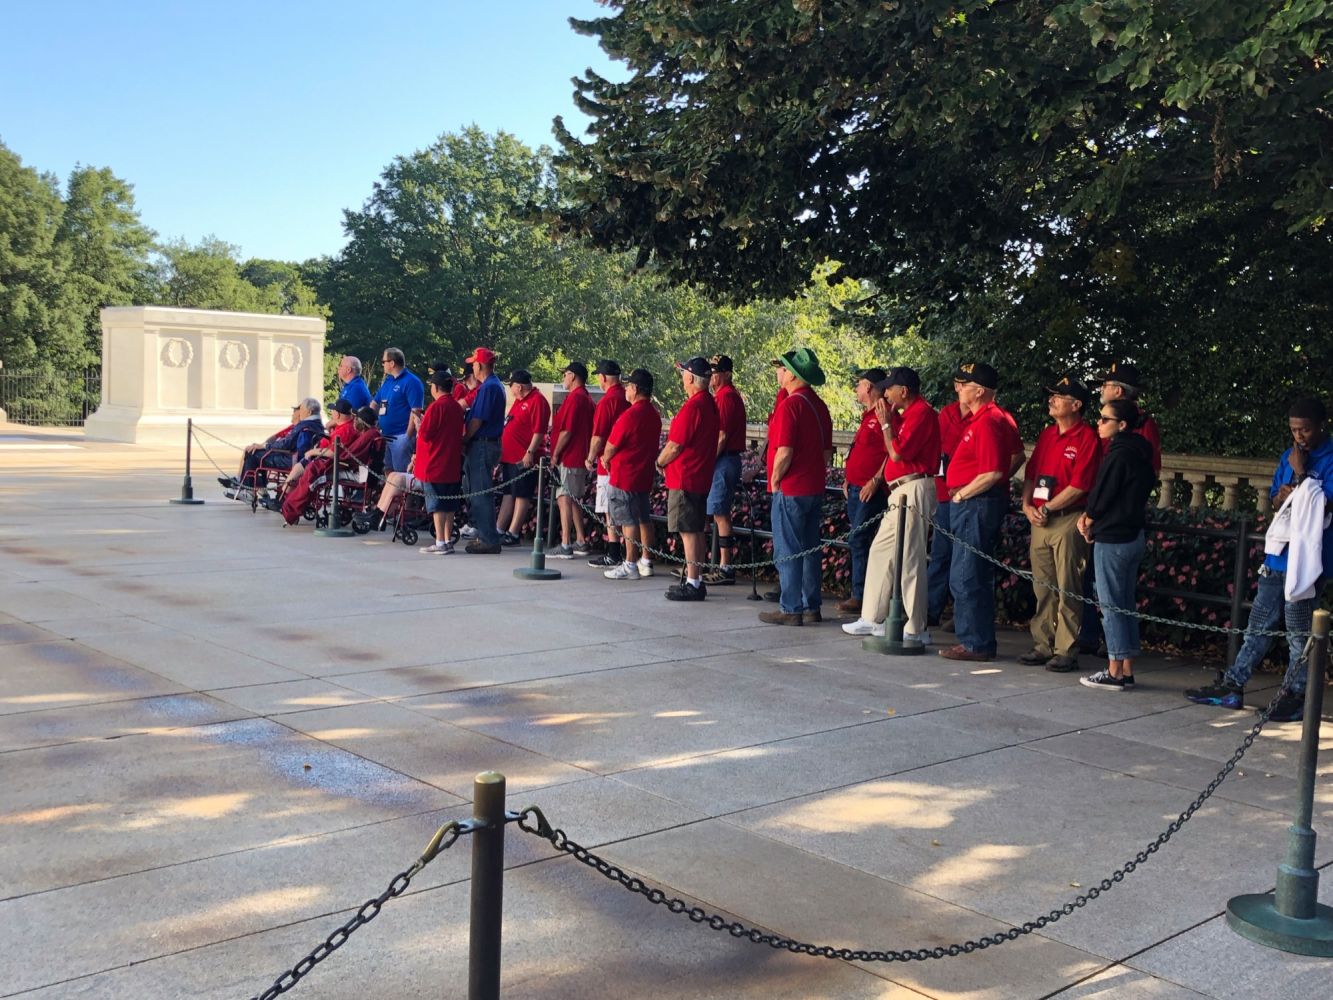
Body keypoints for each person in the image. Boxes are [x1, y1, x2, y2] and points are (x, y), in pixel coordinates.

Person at [1186, 397, 1333, 722]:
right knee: (1258, 625)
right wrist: (1284, 493)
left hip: (1307, 561)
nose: (1299, 436)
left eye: (1305, 429)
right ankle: (1233, 685)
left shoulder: (1327, 458)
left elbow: (1323, 505)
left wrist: (1301, 475)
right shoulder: (1289, 456)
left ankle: (1297, 695)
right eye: (1294, 430)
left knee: (1298, 633)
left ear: (1321, 426)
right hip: (1279, 555)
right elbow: (1277, 500)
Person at [842, 367, 940, 641]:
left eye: (890, 389)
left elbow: (896, 453)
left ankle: (916, 628)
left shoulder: (922, 413)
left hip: (914, 487)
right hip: (899, 490)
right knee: (880, 550)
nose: (885, 394)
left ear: (904, 391)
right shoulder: (908, 414)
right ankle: (873, 617)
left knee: (909, 558)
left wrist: (886, 424)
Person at [938, 362, 1023, 661]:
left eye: (965, 385)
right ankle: (978, 640)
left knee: (965, 575)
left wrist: (963, 493)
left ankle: (974, 643)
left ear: (979, 391)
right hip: (979, 503)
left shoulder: (987, 421)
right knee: (974, 572)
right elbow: (1015, 457)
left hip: (974, 505)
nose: (959, 389)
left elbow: (992, 472)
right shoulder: (995, 418)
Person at [1016, 376, 1101, 673]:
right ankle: (1042, 644)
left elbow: (1080, 486)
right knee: (1042, 586)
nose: (1051, 400)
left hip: (1068, 518)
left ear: (1076, 405)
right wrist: (1027, 506)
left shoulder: (1087, 438)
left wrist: (1047, 507)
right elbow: (1031, 474)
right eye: (1051, 395)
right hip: (1040, 518)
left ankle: (1066, 649)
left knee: (1068, 586)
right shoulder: (1047, 435)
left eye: (1058, 396)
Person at [1080, 361, 1163, 652]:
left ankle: (1117, 654)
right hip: (1104, 517)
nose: (1101, 390)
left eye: (1105, 385)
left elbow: (1143, 473)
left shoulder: (1141, 427)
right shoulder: (1111, 429)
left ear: (1117, 390)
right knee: (1097, 585)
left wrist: (1093, 514)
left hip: (1116, 521)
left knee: (1113, 597)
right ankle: (1098, 639)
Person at [1077, 399, 1156, 691]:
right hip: (1133, 534)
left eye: (1104, 419)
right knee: (1124, 602)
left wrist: (1088, 519)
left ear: (1122, 425)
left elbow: (1102, 495)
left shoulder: (1119, 454)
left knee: (1110, 604)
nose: (1098, 423)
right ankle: (1126, 667)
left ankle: (1115, 670)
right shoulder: (1142, 452)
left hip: (1113, 538)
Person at [759, 347, 833, 626]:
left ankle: (790, 607)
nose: (778, 373)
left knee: (788, 549)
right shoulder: (819, 406)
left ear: (791, 374)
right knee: (810, 548)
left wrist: (776, 479)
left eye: (782, 368)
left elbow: (784, 451)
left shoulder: (790, 405)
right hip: (814, 485)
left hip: (791, 487)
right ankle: (811, 605)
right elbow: (826, 453)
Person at [658, 357, 721, 601]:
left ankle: (694, 582)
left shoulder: (694, 406)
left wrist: (660, 461)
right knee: (695, 529)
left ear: (691, 378)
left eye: (684, 372)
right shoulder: (709, 404)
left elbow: (675, 445)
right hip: (698, 475)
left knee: (689, 531)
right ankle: (696, 578)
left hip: (686, 477)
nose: (682, 377)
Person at [837, 367, 889, 617]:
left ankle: (861, 595)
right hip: (855, 488)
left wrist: (876, 479)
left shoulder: (884, 415)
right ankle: (859, 593)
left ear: (868, 386)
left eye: (858, 385)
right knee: (858, 540)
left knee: (859, 539)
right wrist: (849, 478)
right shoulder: (866, 416)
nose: (856, 389)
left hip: (871, 490)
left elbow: (891, 451)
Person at [602, 369, 663, 581]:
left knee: (628, 521)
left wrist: (605, 459)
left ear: (635, 389)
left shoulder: (630, 415)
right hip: (643, 475)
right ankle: (646, 560)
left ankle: (629, 564)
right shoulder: (654, 415)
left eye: (628, 386)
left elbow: (611, 445)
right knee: (643, 518)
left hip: (624, 475)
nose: (626, 389)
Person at [278, 407, 381, 524]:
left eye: (356, 418)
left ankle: (290, 510)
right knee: (311, 471)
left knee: (313, 475)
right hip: (353, 468)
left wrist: (323, 460)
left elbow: (345, 457)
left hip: (355, 472)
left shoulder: (367, 436)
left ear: (362, 422)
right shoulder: (368, 434)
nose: (354, 420)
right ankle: (290, 507)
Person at [704, 355, 747, 585]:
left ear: (727, 374)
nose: (712, 375)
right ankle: (704, 562)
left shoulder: (727, 397)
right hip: (722, 460)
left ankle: (725, 566)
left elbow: (721, 436)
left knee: (720, 514)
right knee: (711, 512)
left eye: (716, 371)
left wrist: (708, 459)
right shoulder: (721, 396)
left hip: (724, 459)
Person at [460, 347, 506, 554]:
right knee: (476, 490)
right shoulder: (491, 385)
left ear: (480, 365)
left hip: (482, 443)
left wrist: (465, 439)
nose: (472, 368)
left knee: (480, 493)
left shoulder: (489, 387)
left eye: (474, 364)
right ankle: (485, 535)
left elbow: (477, 420)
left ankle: (488, 538)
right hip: (484, 443)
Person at [496, 370, 550, 545]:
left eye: (511, 386)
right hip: (510, 457)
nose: (511, 390)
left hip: (523, 458)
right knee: (509, 492)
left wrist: (530, 452)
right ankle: (499, 528)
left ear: (519, 386)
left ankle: (513, 532)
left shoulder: (537, 401)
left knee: (521, 494)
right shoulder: (520, 401)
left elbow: (539, 431)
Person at [415, 370, 466, 555]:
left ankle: (440, 541)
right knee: (449, 505)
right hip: (452, 462)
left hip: (434, 462)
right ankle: (447, 539)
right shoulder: (456, 407)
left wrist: (419, 424)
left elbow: (425, 434)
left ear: (436, 387)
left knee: (437, 505)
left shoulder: (436, 407)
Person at [548, 361, 595, 559]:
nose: (563, 378)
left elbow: (566, 431)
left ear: (573, 376)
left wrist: (555, 454)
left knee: (564, 498)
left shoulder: (576, 398)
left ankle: (566, 543)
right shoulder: (585, 398)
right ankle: (581, 540)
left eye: (565, 374)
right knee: (573, 499)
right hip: (578, 456)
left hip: (570, 456)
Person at [926, 396, 966, 627]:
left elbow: (1014, 457)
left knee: (964, 560)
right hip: (943, 495)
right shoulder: (946, 413)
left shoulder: (989, 418)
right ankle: (931, 610)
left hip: (968, 498)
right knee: (940, 555)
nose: (960, 389)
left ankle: (962, 616)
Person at [586, 360, 631, 568]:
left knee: (610, 510)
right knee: (626, 512)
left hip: (608, 463)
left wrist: (590, 457)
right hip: (626, 462)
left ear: (603, 378)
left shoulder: (607, 402)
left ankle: (614, 553)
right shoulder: (627, 398)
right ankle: (630, 555)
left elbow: (599, 436)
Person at [228, 398, 324, 494]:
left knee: (252, 454)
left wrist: (266, 446)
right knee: (259, 453)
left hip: (291, 460)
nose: (300, 412)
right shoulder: (318, 425)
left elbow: (286, 444)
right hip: (299, 458)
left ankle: (249, 491)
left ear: (309, 412)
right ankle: (260, 488)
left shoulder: (304, 425)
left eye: (301, 409)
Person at [372, 347, 425, 474]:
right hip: (385, 435)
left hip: (400, 436)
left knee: (401, 475)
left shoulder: (411, 381)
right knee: (388, 471)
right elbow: (375, 403)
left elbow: (416, 410)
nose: (382, 364)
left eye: (384, 361)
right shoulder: (388, 381)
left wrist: (407, 437)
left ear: (392, 363)